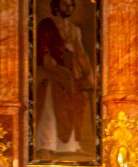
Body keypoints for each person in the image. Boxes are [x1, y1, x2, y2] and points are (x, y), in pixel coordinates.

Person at [34, 0, 94, 156]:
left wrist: (88, 73)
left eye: (72, 5)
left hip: (71, 73)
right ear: (56, 6)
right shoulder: (46, 25)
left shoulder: (74, 29)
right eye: (65, 4)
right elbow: (43, 51)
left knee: (73, 107)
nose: (69, 8)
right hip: (50, 73)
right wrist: (56, 69)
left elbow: (80, 53)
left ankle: (71, 146)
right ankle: (46, 146)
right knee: (50, 107)